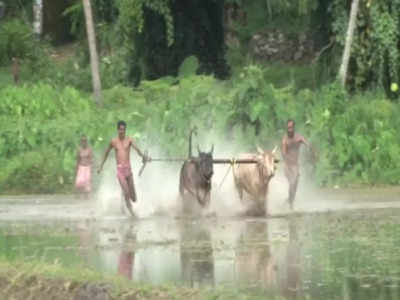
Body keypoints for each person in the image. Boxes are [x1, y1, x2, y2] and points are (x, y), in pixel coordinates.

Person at [97, 120, 150, 216]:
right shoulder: (114, 142)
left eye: (124, 130)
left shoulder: (129, 140)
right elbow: (106, 153)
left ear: (125, 130)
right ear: (118, 130)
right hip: (120, 170)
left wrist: (144, 157)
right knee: (126, 191)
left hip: (128, 170)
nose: (122, 131)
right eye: (120, 129)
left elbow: (137, 150)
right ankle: (132, 213)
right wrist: (101, 166)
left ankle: (125, 202)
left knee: (134, 198)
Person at [281, 119, 310, 210]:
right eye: (288, 127)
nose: (289, 129)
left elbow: (307, 143)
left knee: (295, 183)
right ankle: (290, 204)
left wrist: (312, 150)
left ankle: (290, 201)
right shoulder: (285, 139)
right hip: (287, 166)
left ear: (294, 128)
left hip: (295, 166)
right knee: (292, 182)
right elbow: (284, 152)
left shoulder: (298, 138)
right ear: (287, 128)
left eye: (291, 127)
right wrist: (287, 159)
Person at [75, 135, 93, 199]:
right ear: (81, 142)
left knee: (87, 182)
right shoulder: (79, 150)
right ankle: (78, 195)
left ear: (87, 142)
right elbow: (77, 159)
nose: (84, 142)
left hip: (87, 167)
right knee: (79, 182)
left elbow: (91, 159)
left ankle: (86, 197)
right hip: (81, 167)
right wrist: (76, 169)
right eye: (82, 141)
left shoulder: (89, 149)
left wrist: (91, 169)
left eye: (85, 141)